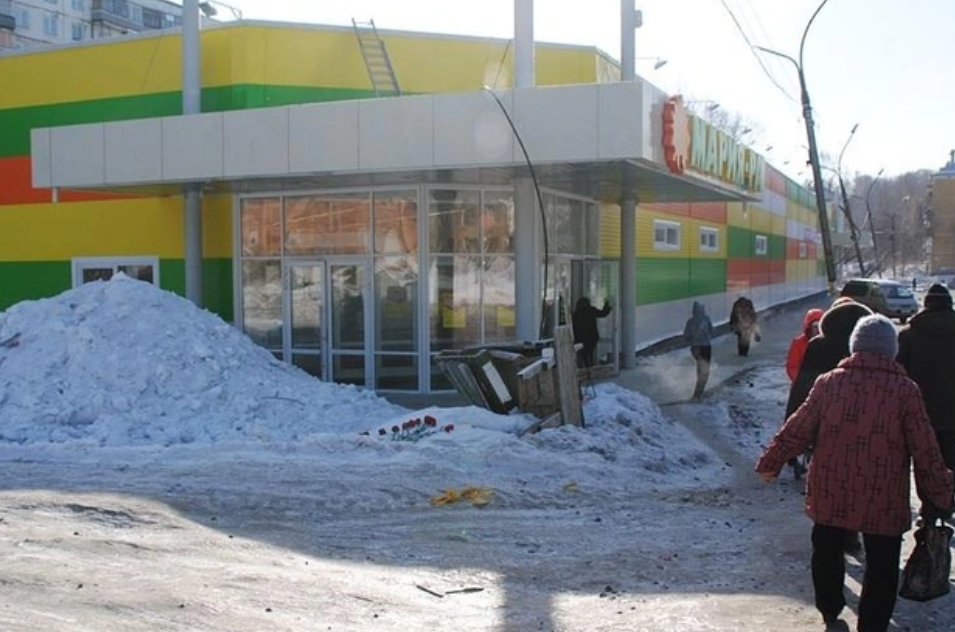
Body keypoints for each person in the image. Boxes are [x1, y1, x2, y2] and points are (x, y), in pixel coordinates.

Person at [756, 314, 954, 632]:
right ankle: (872, 624)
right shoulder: (905, 390)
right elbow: (926, 448)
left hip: (831, 489)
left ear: (855, 347)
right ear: (891, 350)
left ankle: (830, 607)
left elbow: (798, 427)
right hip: (883, 495)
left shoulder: (829, 383)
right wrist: (941, 492)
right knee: (882, 563)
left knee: (827, 550)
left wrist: (771, 463)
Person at [897, 283, 955, 509]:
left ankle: (929, 509)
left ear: (926, 305)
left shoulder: (909, 335)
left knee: (924, 461)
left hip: (919, 412)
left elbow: (898, 372)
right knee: (950, 459)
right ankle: (948, 503)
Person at [683, 301, 715, 401]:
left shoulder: (690, 321)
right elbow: (712, 331)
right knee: (705, 370)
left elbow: (686, 336)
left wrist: (693, 339)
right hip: (706, 346)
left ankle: (698, 392)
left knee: (700, 367)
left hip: (695, 348)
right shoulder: (706, 319)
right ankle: (698, 394)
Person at [785, 307, 824, 382]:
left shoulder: (829, 341)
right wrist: (803, 381)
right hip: (804, 383)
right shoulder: (798, 343)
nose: (818, 329)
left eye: (820, 325)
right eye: (815, 326)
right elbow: (792, 367)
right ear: (809, 327)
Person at [572, 296, 611, 368]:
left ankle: (583, 366)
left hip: (580, 338)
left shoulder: (576, 314)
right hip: (591, 337)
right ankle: (590, 365)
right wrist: (607, 304)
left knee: (583, 353)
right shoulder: (590, 310)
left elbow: (574, 327)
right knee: (589, 352)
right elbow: (603, 313)